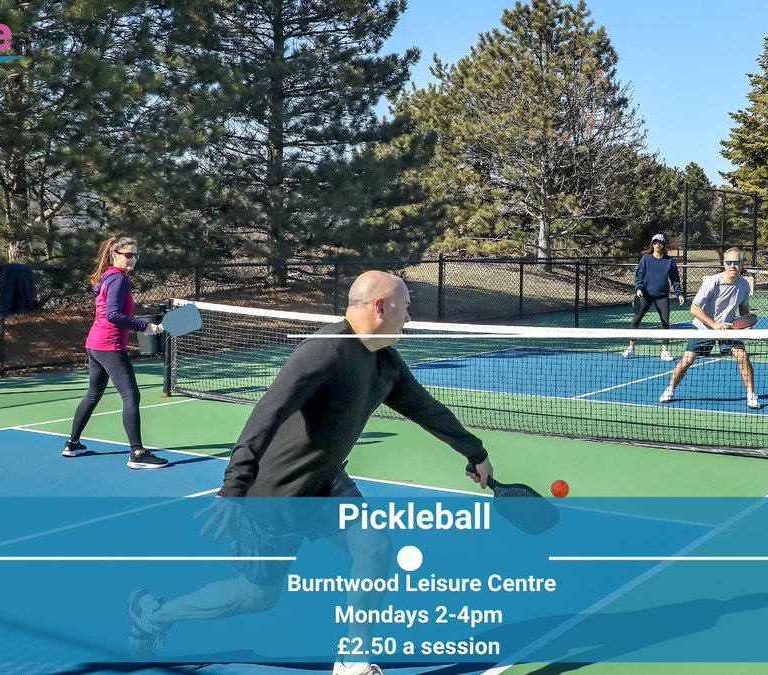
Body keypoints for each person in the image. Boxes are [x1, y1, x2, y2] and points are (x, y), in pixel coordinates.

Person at [126, 271, 496, 673]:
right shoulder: (325, 351)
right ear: (381, 307)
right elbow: (267, 413)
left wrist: (474, 452)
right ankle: (154, 614)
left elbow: (426, 409)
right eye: (405, 307)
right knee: (256, 598)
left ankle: (353, 661)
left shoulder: (386, 361)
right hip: (275, 491)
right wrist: (234, 486)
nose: (408, 317)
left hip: (326, 482)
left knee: (374, 547)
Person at [63, 236, 168, 469]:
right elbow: (113, 315)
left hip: (95, 344)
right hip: (109, 345)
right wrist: (144, 326)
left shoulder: (108, 277)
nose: (132, 259)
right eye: (127, 255)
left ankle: (72, 444)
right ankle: (137, 453)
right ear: (115, 255)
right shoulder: (118, 280)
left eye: (135, 255)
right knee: (131, 396)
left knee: (93, 394)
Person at [659, 248, 761, 410]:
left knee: (742, 357)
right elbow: (694, 308)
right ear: (724, 264)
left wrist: (745, 325)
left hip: (728, 328)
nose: (732, 266)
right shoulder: (713, 282)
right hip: (703, 327)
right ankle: (670, 390)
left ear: (742, 264)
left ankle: (751, 395)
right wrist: (713, 325)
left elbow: (743, 308)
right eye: (729, 262)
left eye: (736, 263)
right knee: (687, 361)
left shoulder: (744, 285)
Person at [624, 233, 684, 361]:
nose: (658, 245)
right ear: (652, 244)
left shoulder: (669, 261)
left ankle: (665, 351)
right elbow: (639, 276)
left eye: (660, 243)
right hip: (645, 295)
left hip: (662, 297)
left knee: (665, 323)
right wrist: (639, 288)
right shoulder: (646, 259)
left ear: (663, 245)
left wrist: (679, 293)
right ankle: (631, 348)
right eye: (655, 242)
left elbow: (675, 279)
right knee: (636, 321)